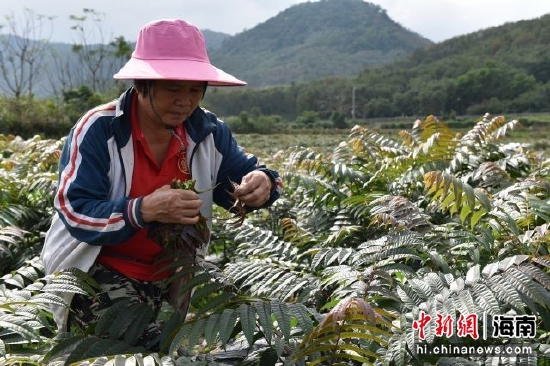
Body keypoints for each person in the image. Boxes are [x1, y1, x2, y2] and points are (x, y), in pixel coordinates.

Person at [41, 19, 283, 349]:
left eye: (195, 89)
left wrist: (263, 183)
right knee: (138, 351)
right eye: (173, 88)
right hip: (95, 269)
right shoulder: (100, 130)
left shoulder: (208, 132)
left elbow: (245, 176)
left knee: (167, 351)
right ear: (142, 85)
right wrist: (142, 209)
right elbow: (76, 209)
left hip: (172, 275)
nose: (185, 101)